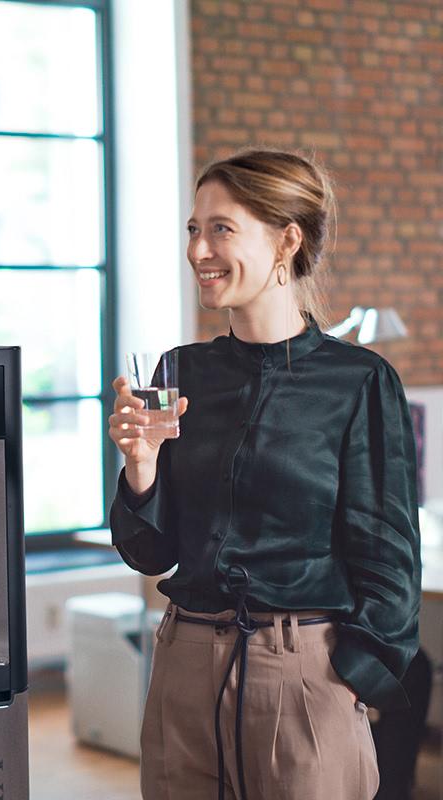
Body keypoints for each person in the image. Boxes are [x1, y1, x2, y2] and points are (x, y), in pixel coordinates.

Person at [109, 149, 420, 800]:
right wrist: (139, 470)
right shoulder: (176, 371)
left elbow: (390, 569)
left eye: (221, 228)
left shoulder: (359, 382)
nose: (198, 250)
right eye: (193, 229)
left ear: (287, 239)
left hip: (306, 679)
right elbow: (150, 551)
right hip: (184, 671)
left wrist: (344, 685)